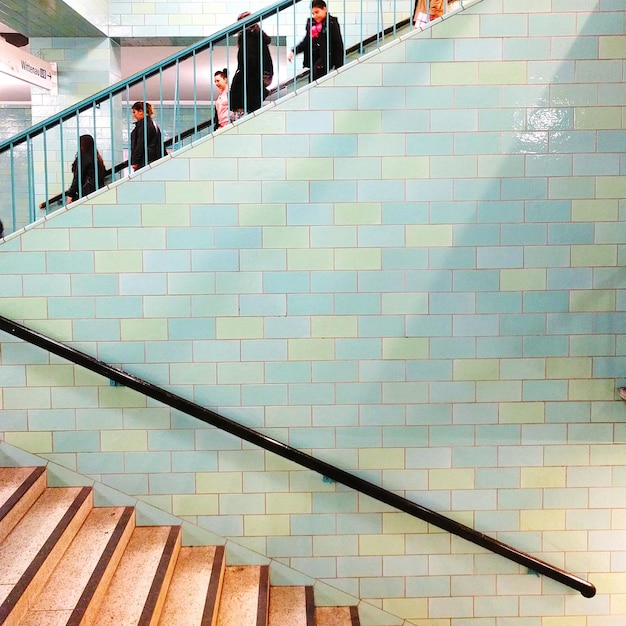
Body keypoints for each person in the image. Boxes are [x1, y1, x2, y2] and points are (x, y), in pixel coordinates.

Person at [229, 11, 274, 118]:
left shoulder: (249, 37)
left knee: (239, 88)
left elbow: (250, 62)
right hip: (259, 75)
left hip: (255, 75)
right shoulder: (256, 36)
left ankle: (241, 112)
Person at [288, 0, 344, 82]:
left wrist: (339, 65)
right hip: (314, 58)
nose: (315, 16)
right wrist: (294, 51)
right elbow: (306, 41)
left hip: (325, 58)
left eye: (317, 12)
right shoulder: (312, 24)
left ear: (324, 9)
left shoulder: (331, 23)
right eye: (313, 13)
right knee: (313, 79)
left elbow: (337, 43)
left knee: (314, 78)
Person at [66, 134, 106, 203]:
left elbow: (78, 177)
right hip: (97, 191)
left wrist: (71, 194)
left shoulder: (84, 157)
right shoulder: (97, 158)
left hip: (86, 192)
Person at [130, 101, 163, 171]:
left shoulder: (144, 125)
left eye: (134, 112)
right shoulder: (151, 123)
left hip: (145, 161)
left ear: (141, 111)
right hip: (150, 159)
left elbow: (140, 144)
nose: (133, 115)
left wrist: (135, 161)